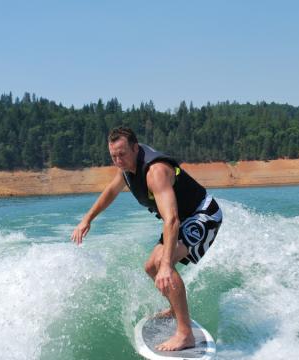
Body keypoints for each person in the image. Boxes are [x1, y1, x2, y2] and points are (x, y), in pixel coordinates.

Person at [71, 126, 223, 351]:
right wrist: (87, 219)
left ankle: (185, 334)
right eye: (113, 156)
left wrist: (166, 265)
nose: (118, 160)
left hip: (203, 215)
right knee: (151, 267)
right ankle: (175, 310)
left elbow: (171, 220)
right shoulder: (126, 168)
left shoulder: (155, 172)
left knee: (165, 265)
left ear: (135, 147)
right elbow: (111, 192)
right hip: (181, 218)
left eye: (122, 154)